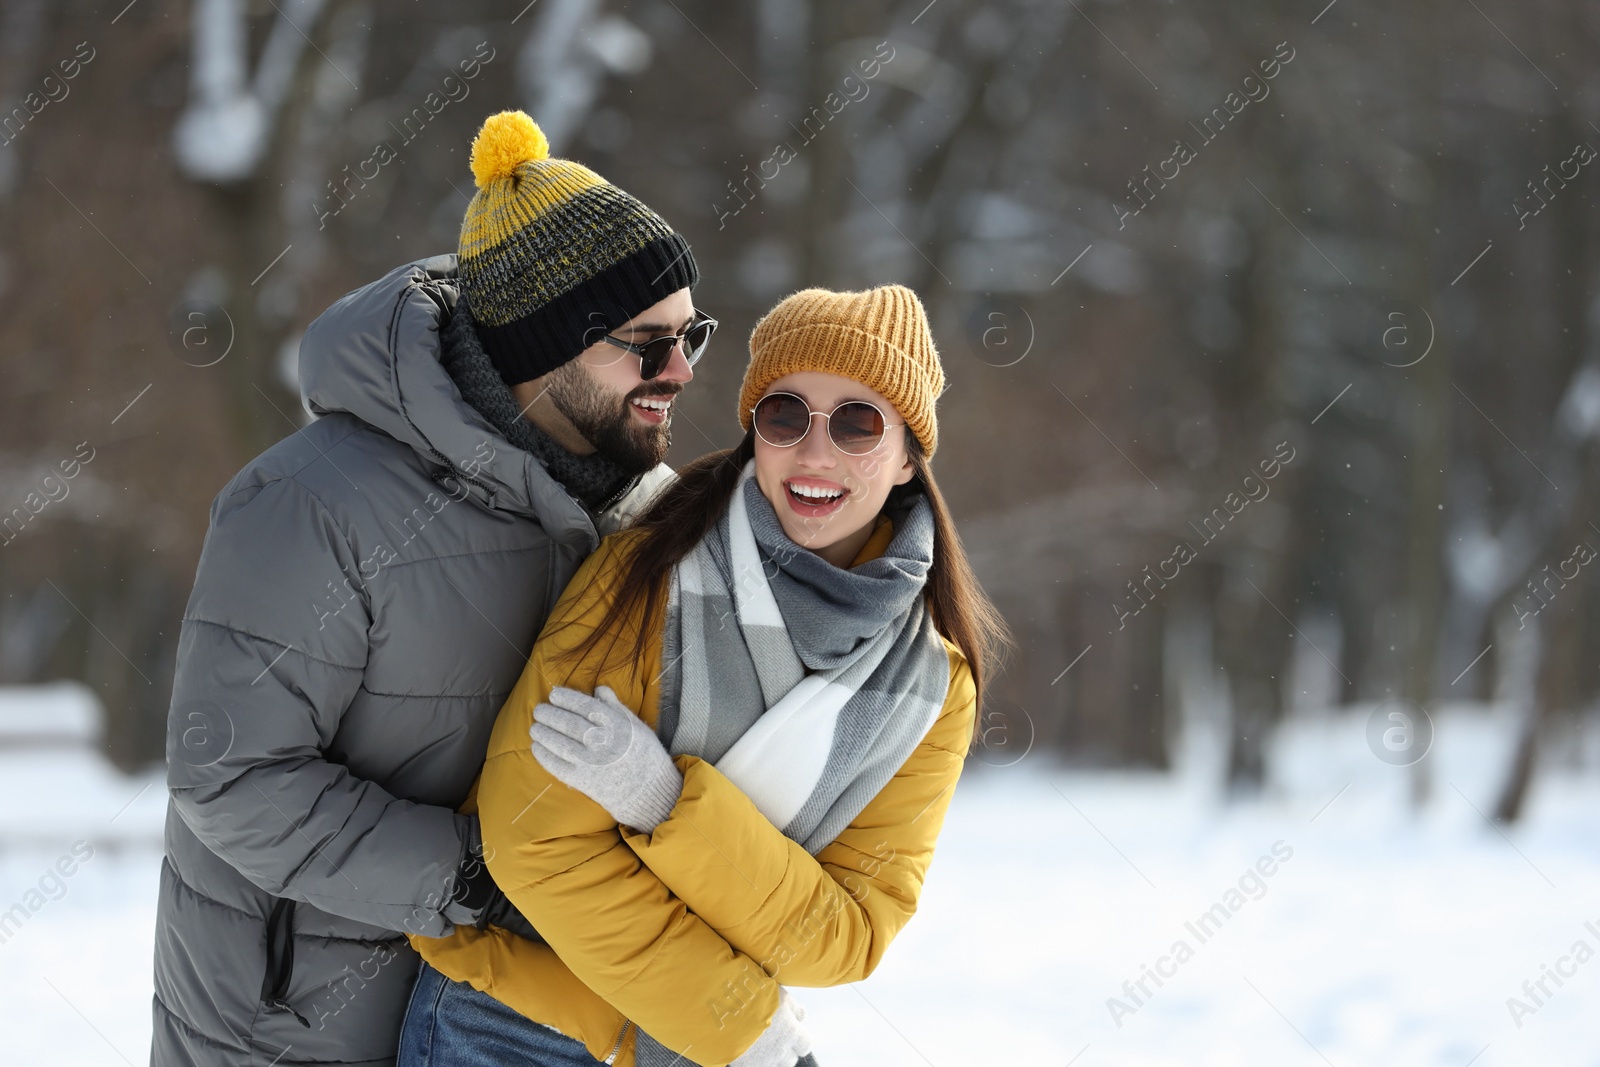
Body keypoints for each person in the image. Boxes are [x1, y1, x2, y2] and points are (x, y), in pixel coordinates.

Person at [151, 111, 711, 1067]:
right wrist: (482, 874)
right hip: (301, 1031)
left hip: (520, 1027)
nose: (677, 374)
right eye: (643, 343)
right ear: (541, 344)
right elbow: (229, 773)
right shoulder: (313, 503)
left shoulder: (645, 516)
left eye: (691, 336)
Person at [400, 284, 1009, 1066]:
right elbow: (533, 843)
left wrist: (668, 805)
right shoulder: (644, 575)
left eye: (858, 422)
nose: (816, 453)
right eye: (786, 415)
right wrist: (741, 1025)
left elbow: (849, 933)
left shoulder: (932, 687)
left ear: (906, 459)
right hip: (515, 1022)